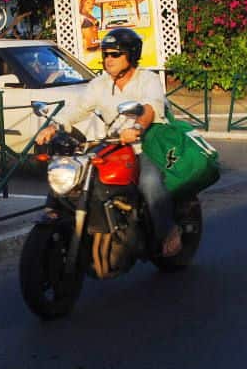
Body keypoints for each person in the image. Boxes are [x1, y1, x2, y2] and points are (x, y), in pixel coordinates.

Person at [35, 28, 182, 257]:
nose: (108, 59)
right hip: (109, 145)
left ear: (131, 55)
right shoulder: (99, 84)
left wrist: (137, 127)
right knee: (70, 172)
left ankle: (168, 230)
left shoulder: (148, 80)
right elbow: (79, 109)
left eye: (115, 54)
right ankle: (60, 216)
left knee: (150, 184)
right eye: (106, 54)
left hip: (142, 145)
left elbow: (151, 108)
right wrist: (53, 126)